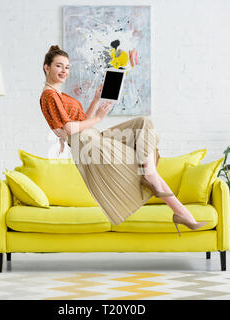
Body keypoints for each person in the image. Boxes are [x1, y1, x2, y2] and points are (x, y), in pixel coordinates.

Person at [39, 45, 207, 237]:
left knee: (142, 124)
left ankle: (180, 212)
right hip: (87, 143)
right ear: (47, 68)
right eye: (59, 66)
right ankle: (179, 209)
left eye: (67, 67)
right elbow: (70, 129)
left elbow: (80, 121)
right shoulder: (49, 95)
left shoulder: (59, 94)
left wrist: (95, 100)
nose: (64, 71)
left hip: (92, 135)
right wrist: (99, 119)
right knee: (145, 160)